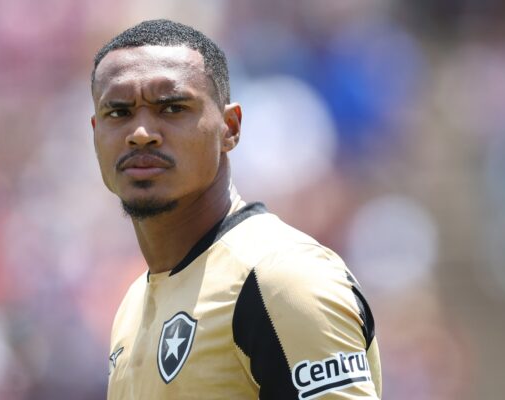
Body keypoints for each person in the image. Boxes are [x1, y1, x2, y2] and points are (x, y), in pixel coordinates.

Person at [90, 19, 382, 399]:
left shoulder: (280, 279)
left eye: (172, 107)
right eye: (118, 113)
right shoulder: (132, 306)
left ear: (229, 128)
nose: (141, 133)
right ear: (95, 132)